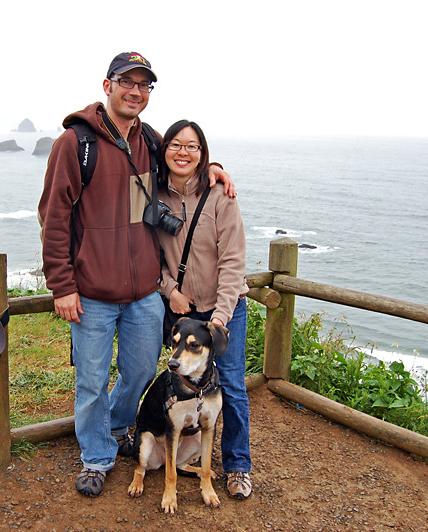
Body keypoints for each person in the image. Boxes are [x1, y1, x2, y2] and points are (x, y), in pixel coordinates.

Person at [37, 52, 235, 497]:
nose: (135, 91)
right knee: (90, 379)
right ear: (107, 86)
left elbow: (183, 160)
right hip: (91, 291)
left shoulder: (148, 139)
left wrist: (213, 168)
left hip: (145, 292)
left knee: (143, 371)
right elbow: (53, 217)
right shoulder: (75, 144)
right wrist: (62, 285)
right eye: (127, 81)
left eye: (144, 85)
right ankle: (97, 456)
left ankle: (120, 425)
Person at [156, 119, 252, 499]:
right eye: (176, 144)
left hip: (225, 311)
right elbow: (153, 258)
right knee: (176, 380)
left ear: (203, 154)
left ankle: (238, 466)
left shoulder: (220, 198)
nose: (183, 152)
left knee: (230, 385)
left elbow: (233, 263)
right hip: (184, 309)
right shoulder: (154, 196)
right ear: (164, 150)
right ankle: (176, 447)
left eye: (192, 146)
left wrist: (219, 320)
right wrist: (170, 290)